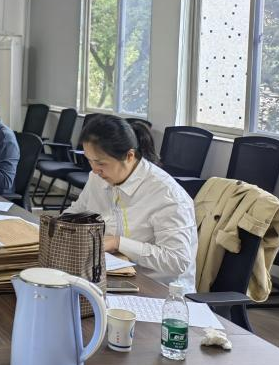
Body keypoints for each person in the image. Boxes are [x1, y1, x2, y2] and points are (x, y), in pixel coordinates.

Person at [63, 114, 197, 293]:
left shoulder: (167, 195)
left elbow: (177, 260)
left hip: (160, 292)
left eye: (100, 163)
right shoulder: (97, 178)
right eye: (89, 160)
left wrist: (118, 243)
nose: (94, 170)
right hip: (113, 277)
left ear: (129, 156)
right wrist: (60, 227)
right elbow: (76, 212)